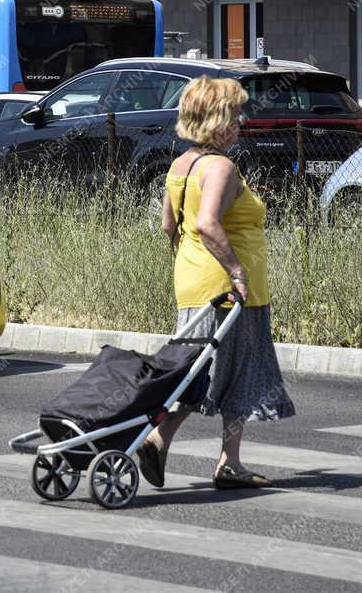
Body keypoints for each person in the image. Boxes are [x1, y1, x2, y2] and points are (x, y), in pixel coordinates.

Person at [139, 76, 296, 490]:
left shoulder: (182, 164)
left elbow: (169, 225)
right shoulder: (222, 167)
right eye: (234, 115)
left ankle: (227, 460)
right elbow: (208, 223)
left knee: (199, 373)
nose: (240, 122)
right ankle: (164, 439)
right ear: (215, 120)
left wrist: (193, 258)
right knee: (227, 375)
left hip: (194, 283)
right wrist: (237, 271)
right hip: (231, 289)